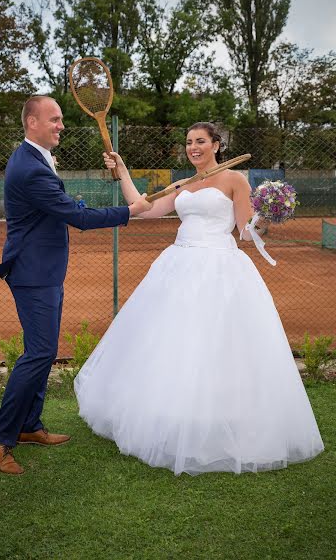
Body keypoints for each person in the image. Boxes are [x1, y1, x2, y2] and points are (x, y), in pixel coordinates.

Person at [75, 122, 324, 476]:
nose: (193, 147)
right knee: (173, 342)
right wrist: (122, 170)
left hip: (219, 267)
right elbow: (144, 208)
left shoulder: (235, 180)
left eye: (201, 141)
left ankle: (219, 416)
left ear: (216, 145)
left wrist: (268, 214)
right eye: (189, 142)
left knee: (218, 344)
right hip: (178, 264)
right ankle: (175, 413)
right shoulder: (184, 183)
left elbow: (246, 232)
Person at [0, 95, 152, 475]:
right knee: (40, 353)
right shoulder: (30, 168)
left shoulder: (35, 159)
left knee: (42, 351)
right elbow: (76, 215)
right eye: (54, 119)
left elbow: (59, 204)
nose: (61, 125)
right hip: (33, 274)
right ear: (31, 122)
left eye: (61, 120)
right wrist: (130, 211)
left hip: (43, 271)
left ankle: (28, 426)